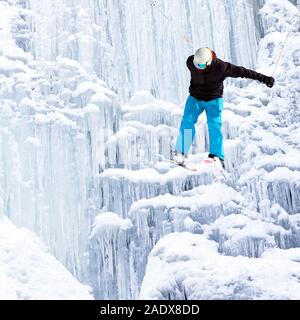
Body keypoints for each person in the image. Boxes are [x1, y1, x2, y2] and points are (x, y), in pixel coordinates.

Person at [173, 47, 275, 169]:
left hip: (213, 100)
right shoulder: (191, 62)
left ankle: (216, 157)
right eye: (196, 65)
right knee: (187, 121)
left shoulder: (221, 68)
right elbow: (196, 63)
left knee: (214, 125)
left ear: (208, 63)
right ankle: (181, 153)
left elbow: (244, 72)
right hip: (195, 98)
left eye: (200, 66)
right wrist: (197, 64)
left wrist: (264, 78)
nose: (197, 68)